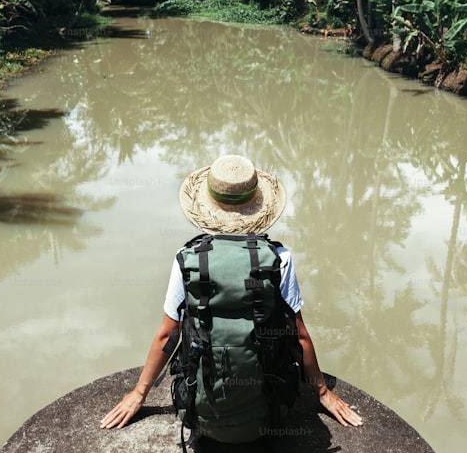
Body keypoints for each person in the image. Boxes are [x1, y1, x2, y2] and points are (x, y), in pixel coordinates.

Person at [99, 154, 363, 433]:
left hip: (201, 418)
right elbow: (297, 334)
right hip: (270, 417)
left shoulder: (187, 259)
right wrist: (322, 392)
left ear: (206, 206)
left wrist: (139, 394)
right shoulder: (279, 259)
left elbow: (168, 334)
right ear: (260, 208)